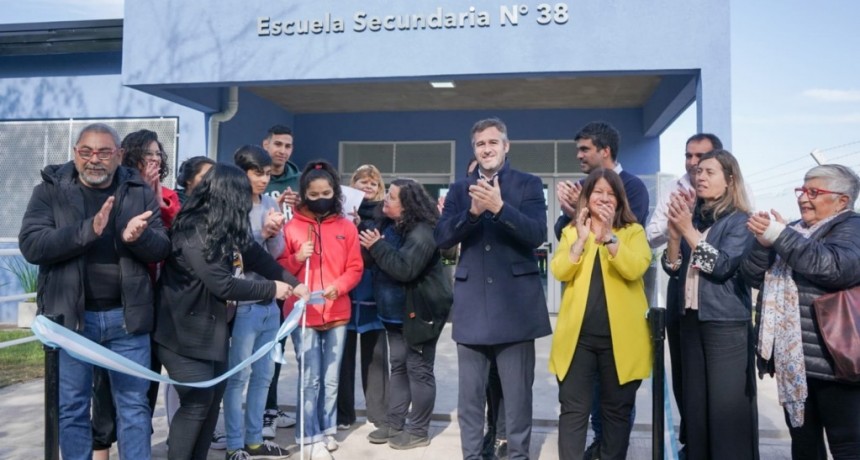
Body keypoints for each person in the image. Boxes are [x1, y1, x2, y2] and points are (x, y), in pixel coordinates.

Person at [18, 122, 170, 460]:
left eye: (103, 152)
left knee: (133, 407)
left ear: (118, 155)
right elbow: (31, 245)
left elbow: (161, 247)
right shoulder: (49, 190)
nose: (94, 159)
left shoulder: (138, 190)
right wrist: (89, 230)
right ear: (75, 154)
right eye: (86, 152)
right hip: (71, 321)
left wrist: (138, 238)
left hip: (126, 320)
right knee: (72, 407)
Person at [153, 163, 309, 459]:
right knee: (197, 403)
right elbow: (222, 285)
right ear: (227, 195)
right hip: (183, 334)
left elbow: (257, 257)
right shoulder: (194, 229)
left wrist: (294, 283)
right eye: (242, 194)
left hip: (212, 332)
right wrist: (271, 289)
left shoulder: (225, 226)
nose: (248, 200)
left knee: (211, 404)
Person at [435, 118, 551, 460]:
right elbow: (442, 238)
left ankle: (518, 455)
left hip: (516, 306)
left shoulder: (528, 185)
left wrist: (500, 208)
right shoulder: (459, 190)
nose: (486, 149)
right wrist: (471, 214)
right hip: (472, 307)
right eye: (480, 144)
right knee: (469, 398)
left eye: (492, 142)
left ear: (506, 146)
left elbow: (537, 234)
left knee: (517, 398)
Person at [741, 164, 860, 460]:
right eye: (802, 191)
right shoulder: (793, 230)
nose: (804, 198)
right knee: (804, 446)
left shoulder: (852, 227)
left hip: (837, 362)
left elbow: (835, 268)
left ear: (842, 200)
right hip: (795, 363)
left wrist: (781, 236)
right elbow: (754, 277)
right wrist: (764, 244)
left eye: (814, 192)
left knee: (848, 446)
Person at [554, 121, 649, 459]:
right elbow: (559, 269)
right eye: (597, 194)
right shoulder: (571, 231)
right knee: (573, 412)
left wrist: (609, 237)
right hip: (578, 340)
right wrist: (579, 240)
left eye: (610, 195)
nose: (604, 199)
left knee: (615, 414)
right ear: (587, 198)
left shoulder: (632, 231)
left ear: (620, 198)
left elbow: (636, 267)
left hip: (620, 341)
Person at [90, 128, 183, 459]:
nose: (154, 160)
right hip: (118, 301)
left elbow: (173, 240)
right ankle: (101, 447)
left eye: (158, 154)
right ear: (129, 156)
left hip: (157, 306)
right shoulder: (114, 190)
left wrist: (158, 202)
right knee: (103, 387)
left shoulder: (169, 197)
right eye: (147, 154)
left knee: (142, 387)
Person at [662, 149, 758, 460]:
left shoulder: (740, 221)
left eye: (710, 172)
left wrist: (688, 231)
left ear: (730, 180)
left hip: (725, 325)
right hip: (690, 320)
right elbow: (673, 268)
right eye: (698, 171)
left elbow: (721, 267)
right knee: (696, 406)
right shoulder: (695, 217)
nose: (700, 176)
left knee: (725, 411)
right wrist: (675, 235)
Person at [278, 160, 363, 460]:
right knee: (309, 376)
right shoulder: (290, 227)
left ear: (335, 191)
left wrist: (339, 287)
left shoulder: (346, 226)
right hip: (304, 313)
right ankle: (307, 432)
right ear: (304, 194)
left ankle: (327, 429)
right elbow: (279, 268)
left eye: (326, 192)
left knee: (330, 377)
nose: (320, 198)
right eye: (313, 194)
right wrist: (298, 258)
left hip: (337, 310)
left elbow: (355, 267)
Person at [360, 178, 453, 450]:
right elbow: (372, 260)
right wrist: (368, 238)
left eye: (391, 196)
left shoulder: (423, 232)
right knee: (398, 367)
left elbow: (405, 269)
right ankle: (394, 422)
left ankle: (418, 431)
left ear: (407, 205)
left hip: (420, 314)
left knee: (419, 371)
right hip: (392, 315)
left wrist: (376, 246)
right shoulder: (387, 225)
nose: (385, 199)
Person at [645, 132, 722, 457]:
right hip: (679, 296)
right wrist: (676, 227)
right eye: (688, 156)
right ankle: (691, 443)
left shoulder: (731, 199)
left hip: (719, 305)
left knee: (717, 391)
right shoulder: (675, 190)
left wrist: (689, 225)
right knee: (684, 380)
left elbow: (725, 262)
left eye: (701, 158)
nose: (693, 164)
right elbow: (652, 237)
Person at [222, 146, 292, 459]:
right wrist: (262, 231)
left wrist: (275, 231)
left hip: (270, 299)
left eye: (266, 174)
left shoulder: (267, 202)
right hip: (243, 300)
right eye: (256, 173)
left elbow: (273, 254)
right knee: (238, 377)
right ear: (241, 172)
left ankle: (254, 440)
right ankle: (235, 445)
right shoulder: (229, 206)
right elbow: (237, 254)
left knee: (264, 375)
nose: (263, 180)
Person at [336, 164, 389, 430]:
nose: (367, 187)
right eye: (362, 182)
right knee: (343, 357)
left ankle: (378, 414)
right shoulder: (339, 211)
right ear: (352, 184)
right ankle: (343, 414)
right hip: (346, 291)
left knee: (376, 357)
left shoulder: (386, 213)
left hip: (373, 292)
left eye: (373, 183)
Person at [262, 124, 301, 435]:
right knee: (268, 349)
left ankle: (275, 410)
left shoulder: (298, 179)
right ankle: (267, 412)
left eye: (287, 146)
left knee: (288, 348)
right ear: (266, 144)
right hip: (260, 270)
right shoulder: (254, 176)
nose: (282, 151)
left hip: (295, 270)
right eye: (277, 144)